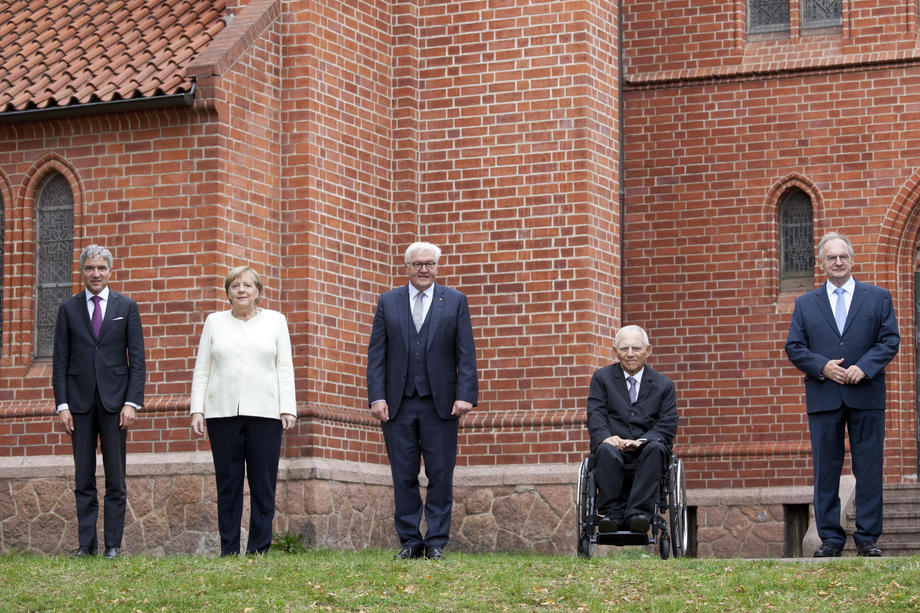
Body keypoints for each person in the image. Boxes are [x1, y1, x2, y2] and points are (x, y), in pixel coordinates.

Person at [785, 232, 899, 557]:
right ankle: (831, 540)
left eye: (843, 257)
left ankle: (867, 539)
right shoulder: (805, 304)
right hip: (824, 397)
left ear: (852, 260)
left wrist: (864, 367)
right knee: (825, 470)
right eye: (831, 258)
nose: (838, 262)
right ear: (821, 263)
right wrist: (823, 367)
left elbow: (890, 339)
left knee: (869, 467)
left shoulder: (878, 298)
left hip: (867, 395)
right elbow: (794, 347)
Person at [366, 241, 478, 561]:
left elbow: (465, 353)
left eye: (429, 264)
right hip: (398, 405)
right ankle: (410, 541)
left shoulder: (455, 301)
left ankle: (437, 541)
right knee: (403, 473)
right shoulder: (389, 302)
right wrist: (377, 397)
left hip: (441, 404)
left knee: (440, 473)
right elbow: (377, 355)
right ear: (407, 268)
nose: (424, 269)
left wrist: (465, 395)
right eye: (417, 264)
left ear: (437, 267)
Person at [190, 266, 297, 556]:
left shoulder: (276, 321)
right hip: (222, 414)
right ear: (227, 292)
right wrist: (197, 409)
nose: (241, 290)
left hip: (265, 413)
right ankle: (228, 549)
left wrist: (288, 407)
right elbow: (203, 368)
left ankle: (258, 549)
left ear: (258, 292)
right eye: (235, 285)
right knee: (228, 484)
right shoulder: (214, 322)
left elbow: (284, 367)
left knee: (263, 485)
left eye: (247, 285)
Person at [52, 244, 146, 559]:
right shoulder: (68, 308)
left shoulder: (127, 306)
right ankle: (86, 545)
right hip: (78, 406)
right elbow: (59, 362)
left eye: (101, 268)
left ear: (110, 271)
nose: (96, 273)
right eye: (90, 268)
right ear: (83, 271)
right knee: (84, 478)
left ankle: (113, 546)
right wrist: (62, 405)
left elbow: (138, 361)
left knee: (115, 479)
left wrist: (132, 402)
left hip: (115, 405)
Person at [586, 325, 677, 534]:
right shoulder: (602, 378)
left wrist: (642, 441)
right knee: (605, 450)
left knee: (655, 448)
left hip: (647, 449)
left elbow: (667, 423)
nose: (630, 354)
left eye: (636, 348)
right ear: (615, 351)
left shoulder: (664, 385)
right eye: (624, 348)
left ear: (648, 350)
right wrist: (607, 438)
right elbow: (596, 414)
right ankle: (612, 515)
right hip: (613, 448)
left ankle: (640, 515)